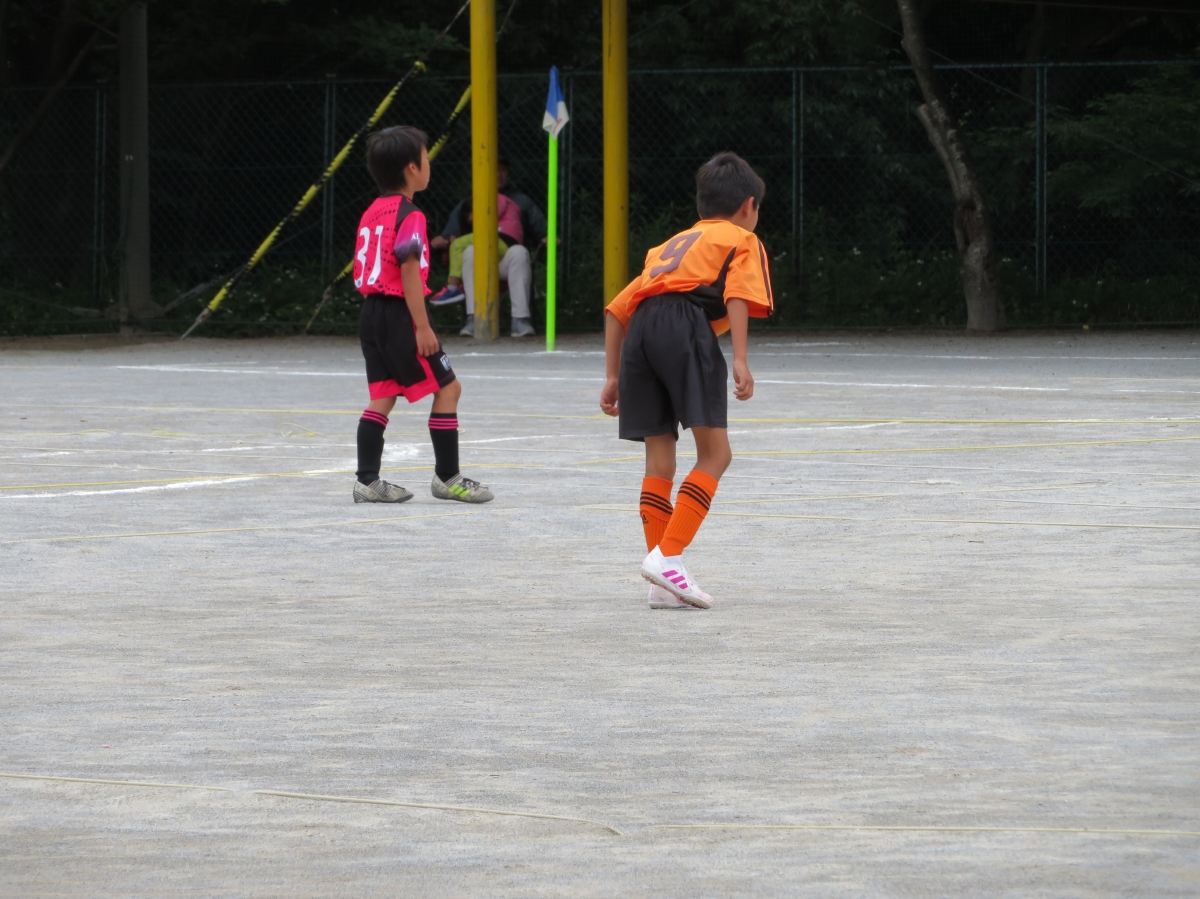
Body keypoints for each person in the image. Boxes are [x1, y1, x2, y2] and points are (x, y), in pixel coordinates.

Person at [599, 152, 773, 610]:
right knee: (716, 453)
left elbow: (616, 310)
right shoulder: (741, 238)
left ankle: (661, 583)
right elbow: (737, 294)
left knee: (659, 461)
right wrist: (740, 359)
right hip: (684, 328)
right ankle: (668, 556)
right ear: (748, 206)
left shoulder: (669, 246)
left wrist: (613, 374)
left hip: (641, 331)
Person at [351, 125, 493, 505]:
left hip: (371, 313)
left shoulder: (371, 211)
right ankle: (448, 477)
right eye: (426, 158)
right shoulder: (410, 214)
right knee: (449, 388)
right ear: (412, 168)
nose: (429, 164)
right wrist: (423, 326)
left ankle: (367, 480)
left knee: (383, 395)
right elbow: (409, 269)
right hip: (400, 313)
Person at [431, 158, 546, 338]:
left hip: (508, 259)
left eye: (502, 170)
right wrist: (443, 239)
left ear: (508, 173)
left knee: (520, 252)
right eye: (493, 170)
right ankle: (475, 318)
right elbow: (450, 235)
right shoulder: (469, 201)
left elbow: (542, 232)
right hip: (479, 261)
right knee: (470, 251)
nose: (498, 174)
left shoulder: (521, 201)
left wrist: (547, 238)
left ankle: (520, 320)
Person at [427, 193, 524, 307]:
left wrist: (477, 213)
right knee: (470, 251)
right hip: (505, 243)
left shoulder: (492, 196)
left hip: (500, 237)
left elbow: (492, 211)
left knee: (457, 245)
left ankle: (453, 287)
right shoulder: (510, 207)